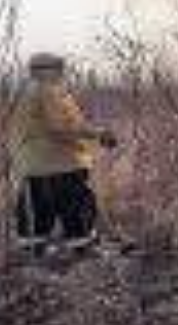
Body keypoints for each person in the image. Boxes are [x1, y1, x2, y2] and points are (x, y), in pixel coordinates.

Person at [12, 52, 118, 256]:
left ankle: (34, 249)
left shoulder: (26, 93)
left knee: (37, 208)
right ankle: (82, 247)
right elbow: (61, 127)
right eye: (58, 68)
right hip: (61, 163)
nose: (62, 72)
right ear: (46, 71)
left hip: (33, 164)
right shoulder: (49, 92)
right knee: (76, 205)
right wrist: (100, 134)